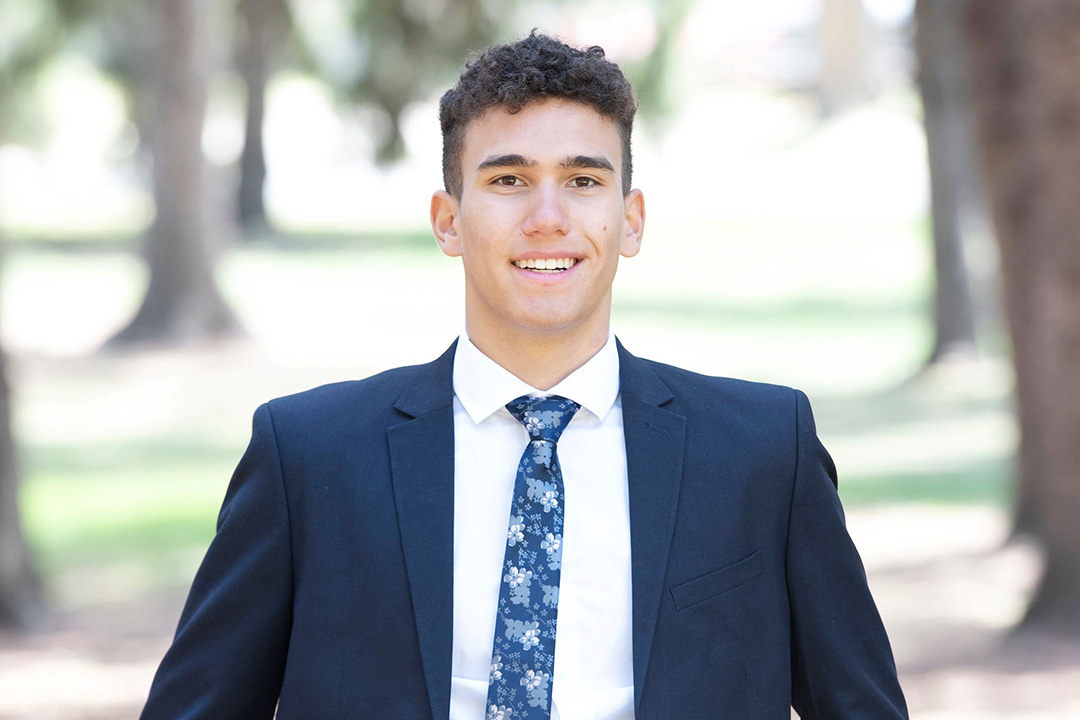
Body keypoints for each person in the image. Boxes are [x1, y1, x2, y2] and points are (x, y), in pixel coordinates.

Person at [140, 32, 908, 720]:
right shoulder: (307, 455)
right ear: (449, 219)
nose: (548, 217)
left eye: (583, 180)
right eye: (509, 180)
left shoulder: (761, 450)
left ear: (630, 219)